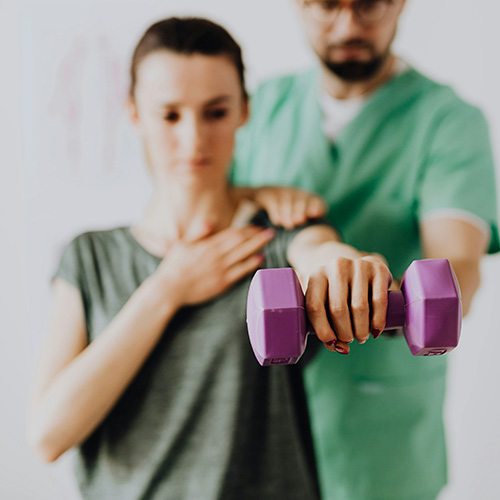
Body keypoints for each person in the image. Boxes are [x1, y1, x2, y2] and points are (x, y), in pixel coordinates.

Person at [27, 17, 394, 500]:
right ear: (134, 112)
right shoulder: (92, 256)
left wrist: (343, 264)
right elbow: (48, 436)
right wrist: (167, 289)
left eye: (215, 112)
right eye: (170, 115)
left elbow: (320, 253)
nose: (194, 138)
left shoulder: (282, 235)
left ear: (245, 110)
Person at [231, 1, 500, 499]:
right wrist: (255, 195)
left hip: (380, 445)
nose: (349, 25)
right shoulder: (256, 108)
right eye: (328, 5)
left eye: (369, 4)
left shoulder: (449, 121)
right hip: (252, 426)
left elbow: (458, 268)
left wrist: (369, 293)